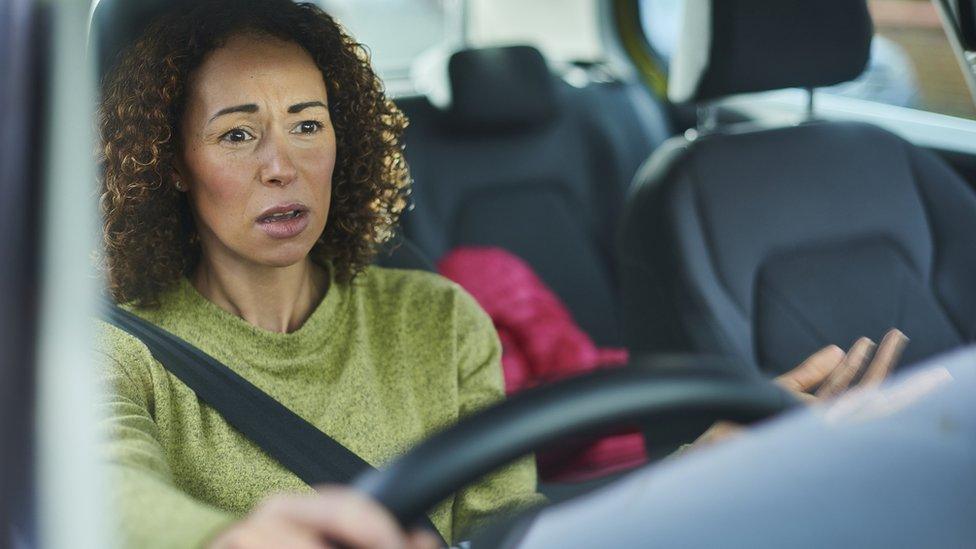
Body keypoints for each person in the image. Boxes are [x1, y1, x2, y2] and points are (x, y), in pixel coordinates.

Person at [93, 0, 908, 547]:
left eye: (308, 124)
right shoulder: (117, 349)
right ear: (168, 161)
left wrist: (699, 467)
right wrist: (228, 539)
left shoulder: (437, 315)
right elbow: (104, 490)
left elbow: (503, 525)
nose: (283, 164)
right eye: (238, 135)